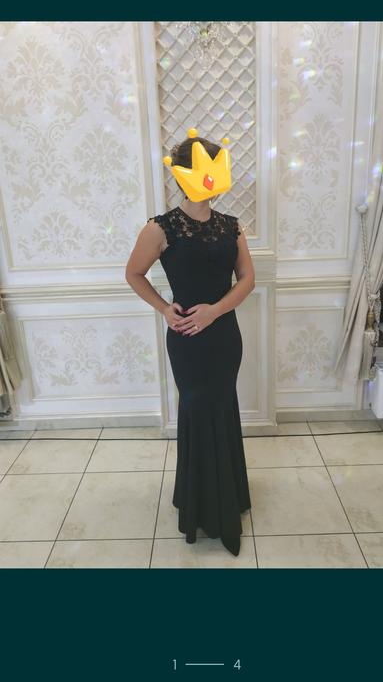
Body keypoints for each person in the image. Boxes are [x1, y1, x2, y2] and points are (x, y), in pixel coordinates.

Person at [125, 133, 255, 556]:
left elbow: (247, 280)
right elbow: (133, 273)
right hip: (186, 339)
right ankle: (202, 504)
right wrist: (165, 309)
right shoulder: (160, 228)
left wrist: (214, 311)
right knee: (198, 411)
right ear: (183, 175)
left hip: (224, 335)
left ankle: (227, 497)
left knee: (222, 407)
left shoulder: (231, 225)